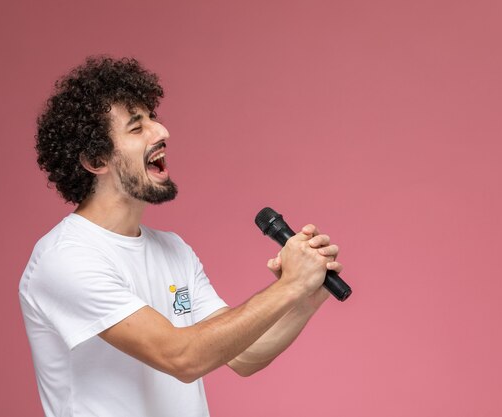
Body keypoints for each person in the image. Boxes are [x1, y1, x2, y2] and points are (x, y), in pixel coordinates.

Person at [19, 56, 343, 417]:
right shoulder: (66, 258)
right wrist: (288, 286)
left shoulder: (174, 250)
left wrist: (305, 299)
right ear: (96, 160)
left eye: (153, 119)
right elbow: (182, 357)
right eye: (137, 128)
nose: (162, 132)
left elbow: (243, 355)